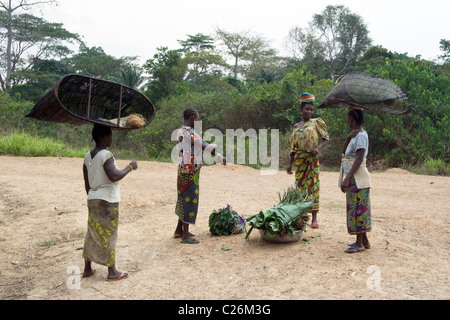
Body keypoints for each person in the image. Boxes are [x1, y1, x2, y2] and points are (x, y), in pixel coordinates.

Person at [82, 125, 137, 281]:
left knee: (92, 232)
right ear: (104, 137)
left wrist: (94, 197)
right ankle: (112, 271)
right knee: (109, 234)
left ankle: (87, 268)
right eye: (110, 135)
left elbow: (87, 183)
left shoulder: (87, 156)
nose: (112, 139)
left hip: (93, 198)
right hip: (107, 199)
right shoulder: (106, 155)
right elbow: (114, 175)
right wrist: (130, 167)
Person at [174, 108, 226, 244]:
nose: (197, 121)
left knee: (182, 199)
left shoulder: (180, 130)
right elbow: (206, 147)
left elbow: (203, 145)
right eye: (196, 119)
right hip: (190, 172)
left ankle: (179, 230)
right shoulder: (190, 133)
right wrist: (220, 157)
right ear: (192, 118)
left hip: (182, 171)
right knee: (189, 201)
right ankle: (185, 235)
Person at [287, 93, 329, 229]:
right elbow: (293, 147)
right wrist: (290, 163)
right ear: (301, 109)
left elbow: (326, 138)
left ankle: (314, 217)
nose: (309, 112)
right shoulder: (296, 127)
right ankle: (300, 214)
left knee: (313, 186)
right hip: (300, 160)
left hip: (312, 159)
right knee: (299, 187)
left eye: (311, 109)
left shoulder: (316, 123)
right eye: (307, 109)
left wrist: (318, 148)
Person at [339, 107, 372, 253]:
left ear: (353, 119)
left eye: (349, 119)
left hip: (358, 178)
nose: (348, 121)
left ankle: (359, 244)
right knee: (356, 207)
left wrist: (347, 178)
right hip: (355, 178)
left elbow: (359, 158)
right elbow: (343, 152)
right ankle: (364, 240)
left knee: (359, 209)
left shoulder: (361, 136)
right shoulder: (355, 135)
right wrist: (348, 137)